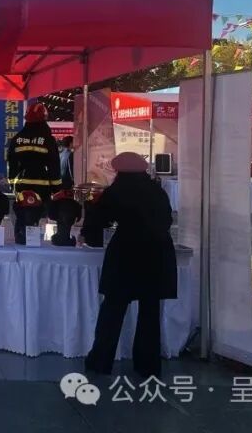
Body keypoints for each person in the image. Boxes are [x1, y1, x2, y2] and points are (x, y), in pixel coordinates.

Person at [83, 152, 176, 379]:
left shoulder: (116, 192)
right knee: (150, 312)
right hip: (157, 254)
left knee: (113, 310)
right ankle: (148, 364)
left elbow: (98, 222)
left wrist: (91, 212)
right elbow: (167, 220)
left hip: (126, 253)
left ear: (120, 173)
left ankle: (100, 360)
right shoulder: (157, 191)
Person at [7, 103, 61, 207]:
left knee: (22, 212)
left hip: (21, 186)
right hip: (43, 187)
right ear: (44, 119)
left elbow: (12, 163)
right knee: (41, 214)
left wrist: (12, 183)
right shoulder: (48, 140)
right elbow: (54, 165)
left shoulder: (17, 139)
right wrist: (56, 188)